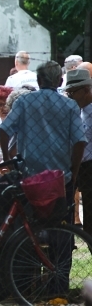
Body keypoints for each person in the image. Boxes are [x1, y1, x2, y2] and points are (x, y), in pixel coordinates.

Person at [0, 61, 86, 216]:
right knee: (60, 221)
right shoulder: (70, 105)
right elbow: (80, 141)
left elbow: (4, 130)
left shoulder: (24, 102)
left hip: (30, 175)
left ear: (39, 80)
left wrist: (7, 159)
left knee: (29, 221)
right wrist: (74, 171)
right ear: (60, 81)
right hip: (60, 176)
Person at [65, 68, 92, 234]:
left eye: (73, 92)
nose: (70, 97)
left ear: (86, 90)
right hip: (80, 166)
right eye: (68, 93)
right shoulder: (78, 112)